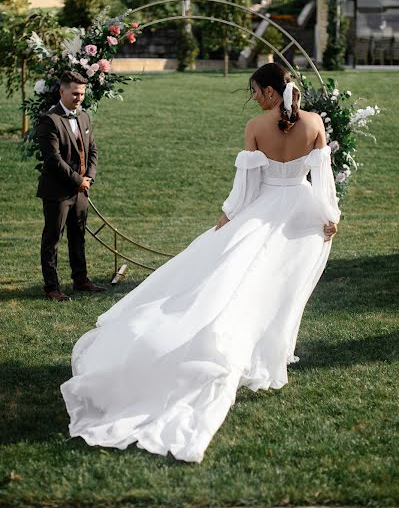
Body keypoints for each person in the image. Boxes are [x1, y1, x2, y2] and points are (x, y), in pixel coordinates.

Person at [61, 63, 340, 462]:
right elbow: (322, 178)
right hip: (301, 216)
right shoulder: (314, 123)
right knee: (280, 290)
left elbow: (247, 188)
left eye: (257, 90)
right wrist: (329, 215)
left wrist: (227, 218)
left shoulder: (256, 127)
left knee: (247, 283)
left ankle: (255, 354)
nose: (256, 97)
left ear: (271, 92)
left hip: (264, 211)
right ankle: (268, 358)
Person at [37, 70, 106, 301]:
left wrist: (89, 178)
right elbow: (53, 159)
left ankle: (81, 280)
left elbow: (92, 149)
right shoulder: (49, 120)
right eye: (75, 93)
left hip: (80, 191)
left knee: (78, 236)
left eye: (82, 94)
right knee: (52, 239)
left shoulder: (85, 117)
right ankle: (52, 287)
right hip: (57, 191)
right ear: (62, 91)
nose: (79, 98)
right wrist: (78, 181)